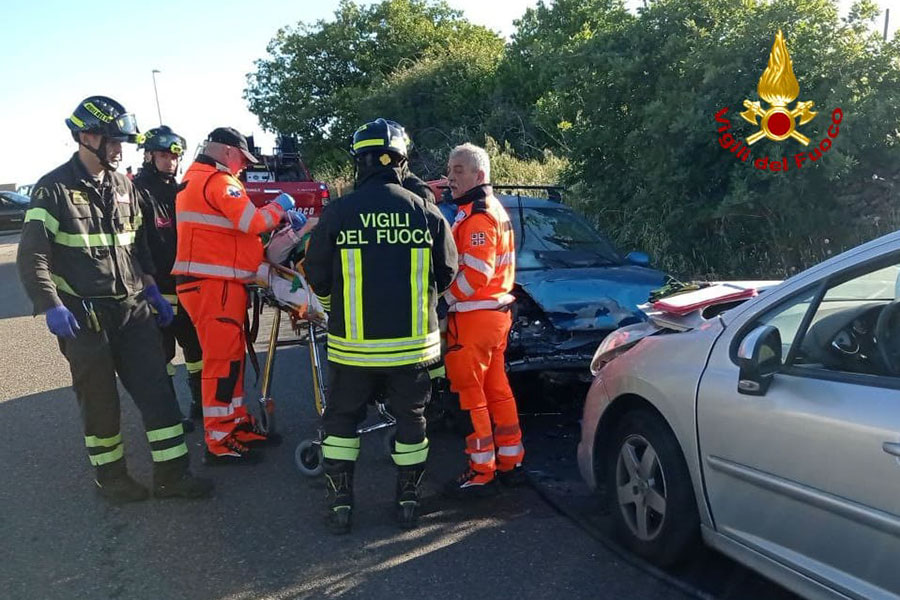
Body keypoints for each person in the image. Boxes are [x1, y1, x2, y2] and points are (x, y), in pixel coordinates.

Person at [16, 95, 213, 503]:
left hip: (134, 310)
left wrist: (151, 285)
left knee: (159, 393)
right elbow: (33, 255)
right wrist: (50, 304)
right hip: (84, 318)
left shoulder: (124, 186)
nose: (119, 149)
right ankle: (112, 479)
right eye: (112, 140)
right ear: (86, 137)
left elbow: (137, 244)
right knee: (101, 401)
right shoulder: (53, 189)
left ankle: (173, 476)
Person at [305, 118, 457, 533]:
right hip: (412, 350)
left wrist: (333, 306)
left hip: (353, 348)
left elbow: (315, 272)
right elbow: (448, 271)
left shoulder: (338, 212)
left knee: (341, 422)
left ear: (360, 162)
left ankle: (341, 504)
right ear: (402, 161)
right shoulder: (426, 212)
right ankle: (408, 500)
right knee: (412, 420)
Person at [173, 127, 304, 464]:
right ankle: (219, 438)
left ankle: (234, 424)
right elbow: (253, 222)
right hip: (212, 284)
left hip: (214, 283)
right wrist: (281, 205)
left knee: (231, 360)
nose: (243, 167)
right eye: (242, 160)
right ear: (228, 152)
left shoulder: (199, 179)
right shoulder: (219, 182)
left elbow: (232, 230)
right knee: (221, 363)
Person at [441, 143, 526, 498]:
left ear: (480, 175)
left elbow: (476, 273)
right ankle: (510, 460)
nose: (450, 176)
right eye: (450, 169)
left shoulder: (478, 215)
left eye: (458, 170)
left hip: (474, 318)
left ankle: (481, 470)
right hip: (494, 316)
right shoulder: (489, 210)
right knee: (497, 389)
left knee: (469, 395)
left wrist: (442, 301)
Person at [133, 126, 203, 427]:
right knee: (162, 357)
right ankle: (169, 415)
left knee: (196, 349)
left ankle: (202, 404)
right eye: (164, 155)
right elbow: (138, 244)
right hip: (157, 289)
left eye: (175, 156)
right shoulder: (138, 192)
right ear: (149, 156)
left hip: (186, 285)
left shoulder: (179, 190)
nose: (171, 162)